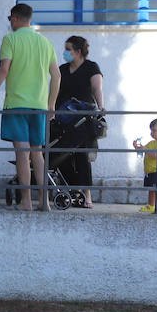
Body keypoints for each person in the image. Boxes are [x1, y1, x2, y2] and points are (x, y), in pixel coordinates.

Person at [0, 3, 61, 211]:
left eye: (10, 19)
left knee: (22, 153)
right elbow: (56, 75)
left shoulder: (10, 39)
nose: (9, 22)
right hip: (39, 107)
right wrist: (51, 104)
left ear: (15, 19)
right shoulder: (46, 43)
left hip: (17, 105)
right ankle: (44, 202)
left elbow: (4, 69)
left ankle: (26, 201)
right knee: (37, 153)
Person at [51, 35, 105, 208]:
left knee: (83, 155)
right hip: (64, 119)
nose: (65, 52)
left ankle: (87, 195)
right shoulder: (63, 69)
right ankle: (71, 192)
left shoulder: (91, 67)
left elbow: (97, 88)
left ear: (78, 51)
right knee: (63, 155)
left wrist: (101, 106)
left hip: (84, 119)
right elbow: (54, 91)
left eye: (68, 49)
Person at [133, 116, 157, 213]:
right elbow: (143, 151)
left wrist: (145, 149)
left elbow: (155, 155)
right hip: (149, 171)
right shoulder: (151, 143)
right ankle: (150, 205)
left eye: (154, 130)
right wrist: (137, 147)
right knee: (151, 189)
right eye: (151, 131)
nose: (151, 133)